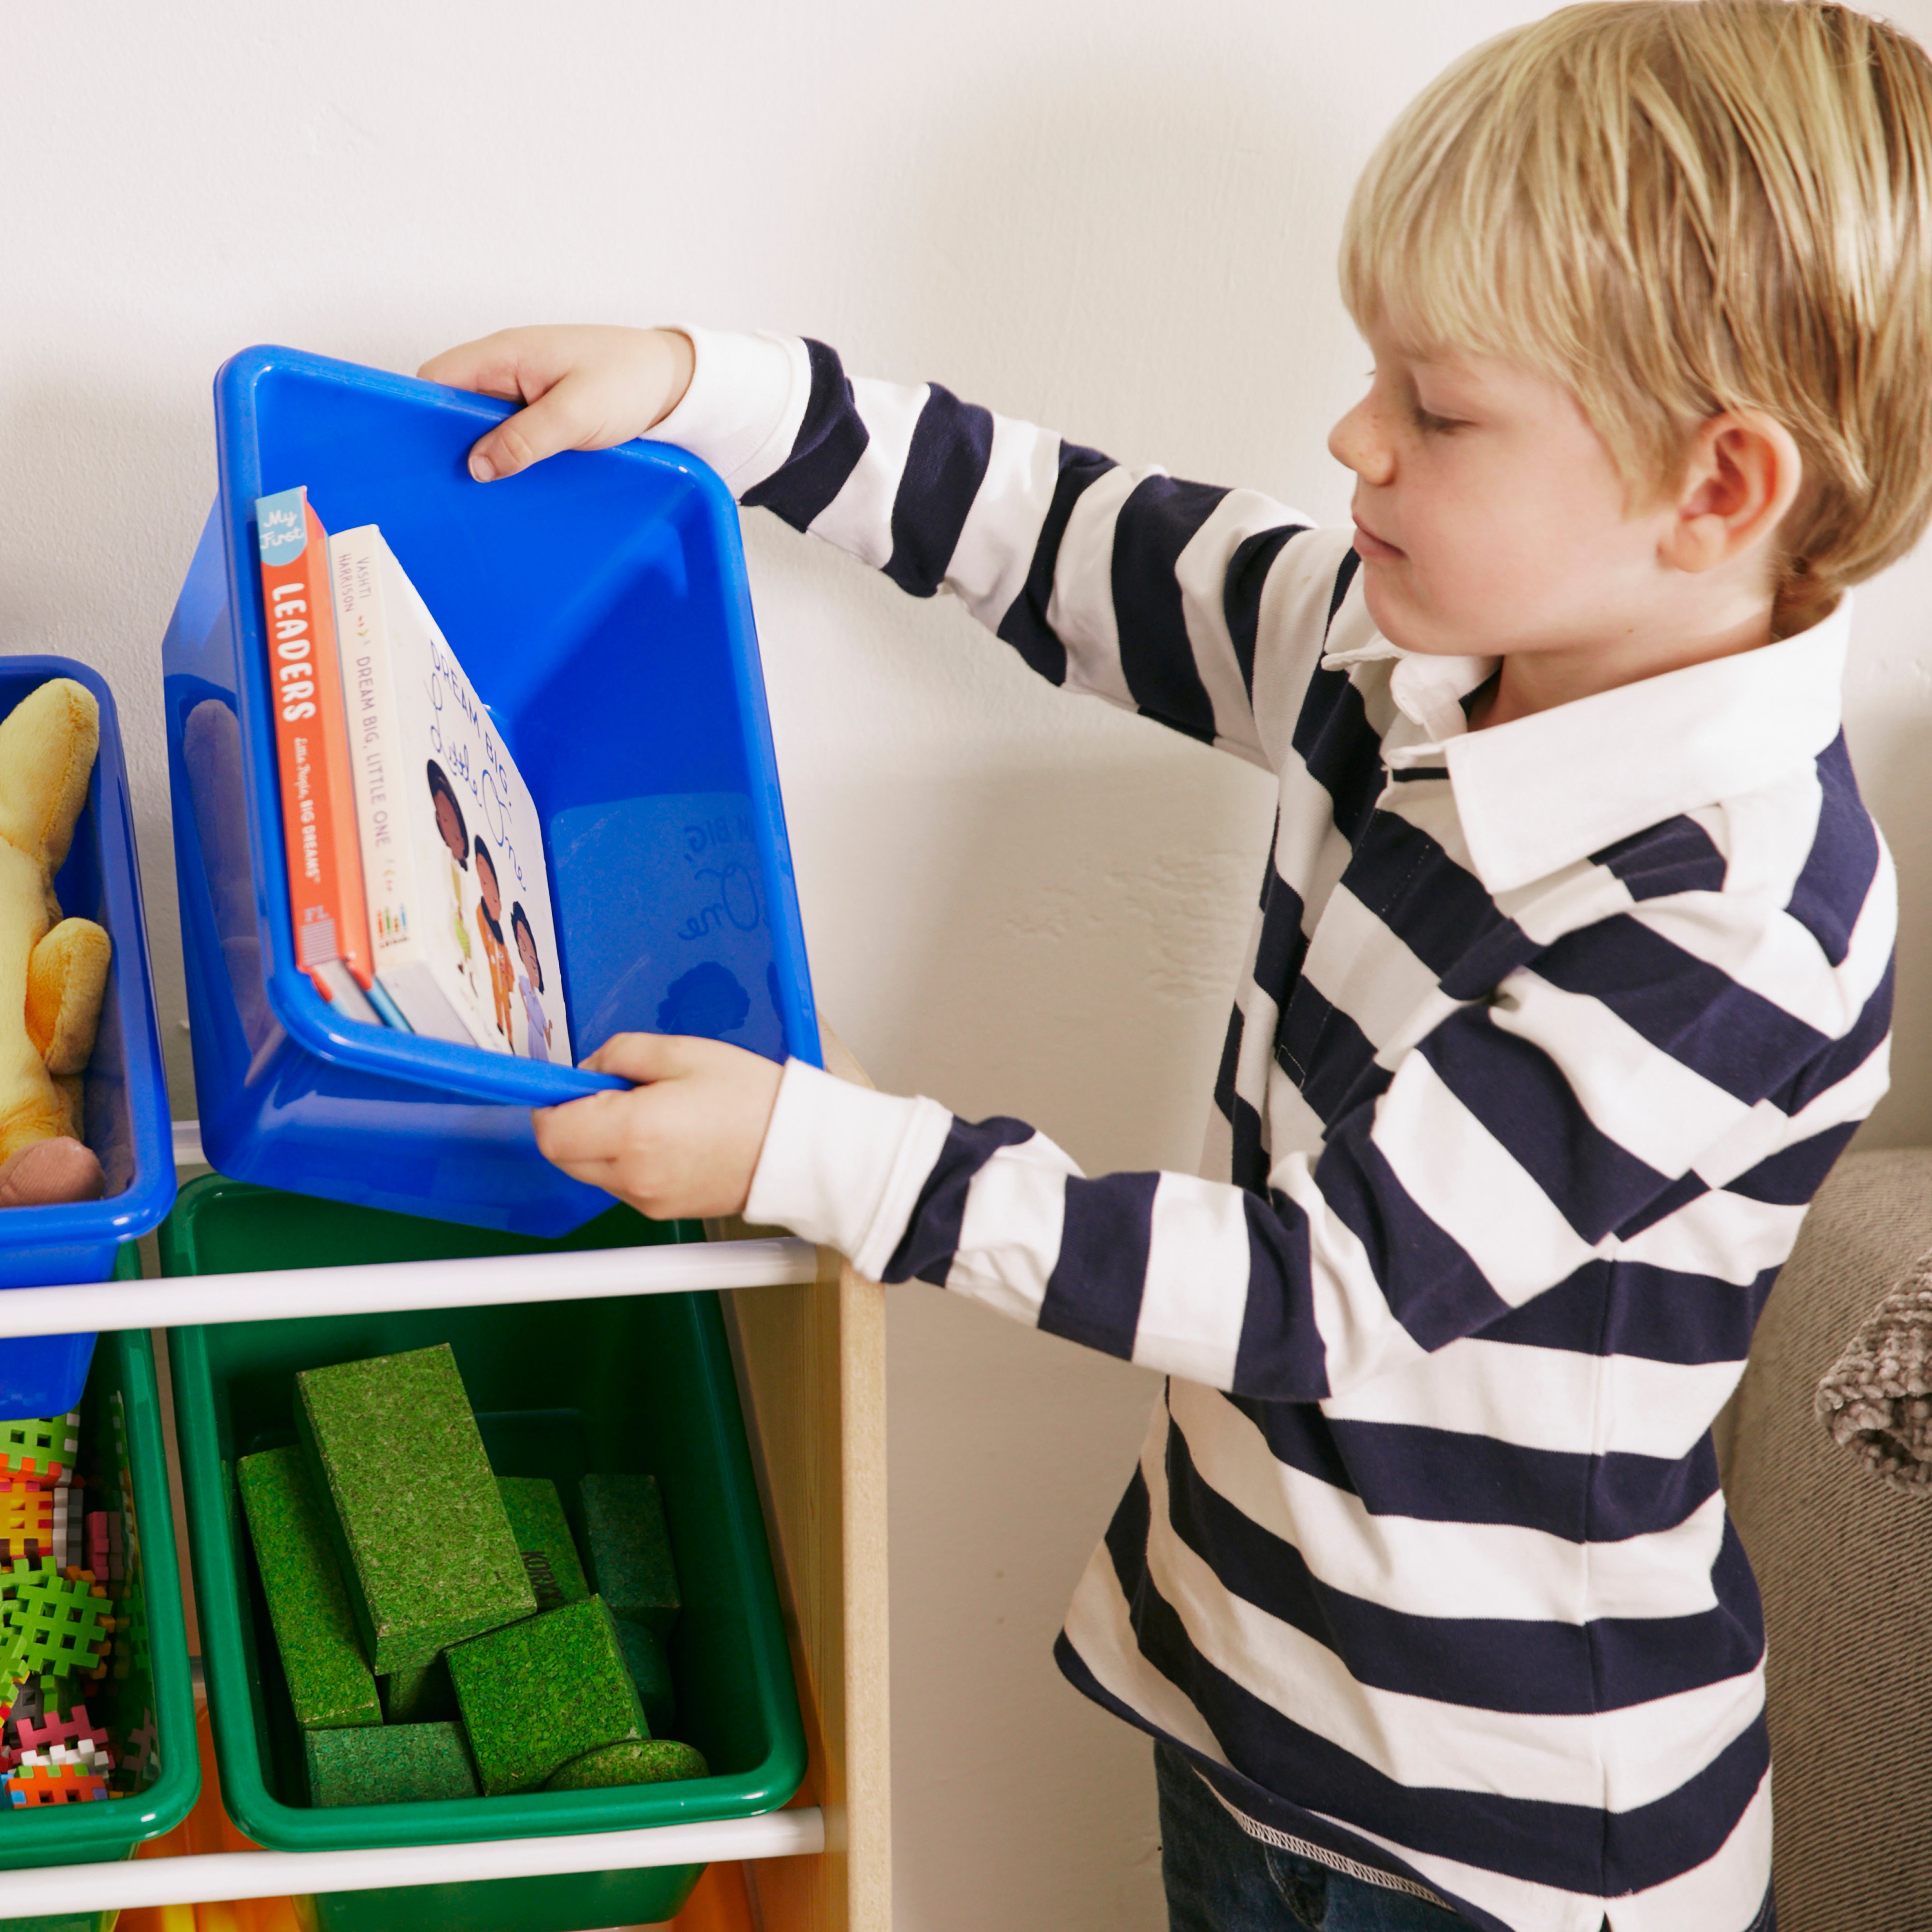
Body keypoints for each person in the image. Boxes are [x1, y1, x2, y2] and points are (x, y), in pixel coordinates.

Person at [421, 6, 1932, 1924]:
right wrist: (711, 392)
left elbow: (1319, 1291)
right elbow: (1062, 539)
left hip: (1500, 1842)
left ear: (1715, 491)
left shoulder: (1739, 923)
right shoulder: (1411, 663)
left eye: (1436, 407)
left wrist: (821, 1157)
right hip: (1243, 1697)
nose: (1349, 434)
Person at [471, 837, 514, 1042]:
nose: (486, 887)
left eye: (490, 882)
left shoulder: (503, 929)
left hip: (504, 972)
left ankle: (511, 1036)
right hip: (492, 967)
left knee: (506, 1002)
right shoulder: (481, 912)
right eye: (483, 881)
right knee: (497, 994)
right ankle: (501, 1026)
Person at [511, 901, 554, 1063]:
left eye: (530, 947)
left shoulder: (540, 1006)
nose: (529, 956)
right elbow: (521, 991)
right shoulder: (524, 984)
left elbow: (547, 1034)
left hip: (540, 1046)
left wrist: (549, 1028)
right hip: (531, 1041)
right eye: (523, 948)